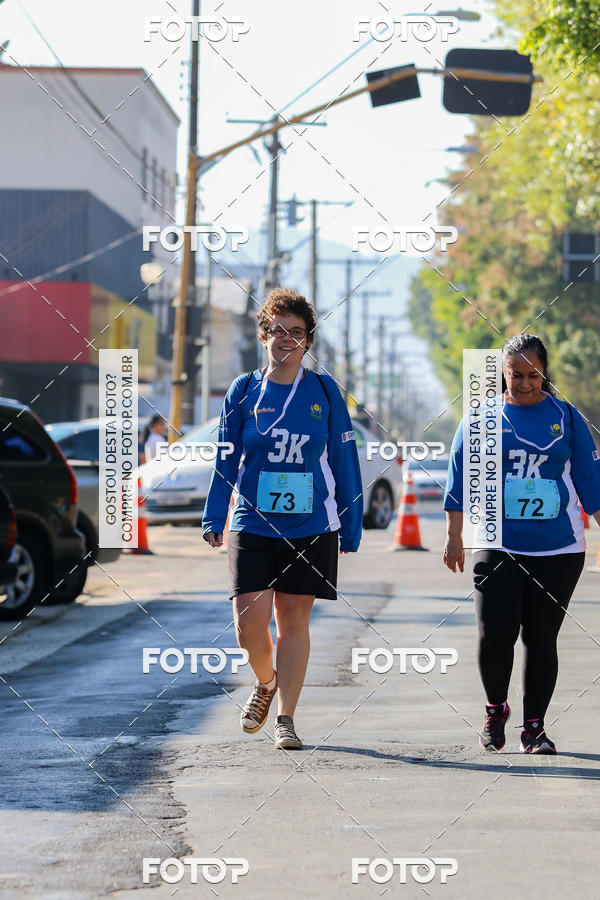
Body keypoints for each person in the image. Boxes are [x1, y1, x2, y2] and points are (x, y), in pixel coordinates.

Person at [202, 287, 363, 750]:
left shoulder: (325, 391)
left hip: (311, 526)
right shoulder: (244, 390)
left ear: (308, 341)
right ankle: (266, 681)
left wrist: (350, 525)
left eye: (296, 333)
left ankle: (287, 718)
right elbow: (225, 459)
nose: (286, 339)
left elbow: (343, 461)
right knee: (247, 624)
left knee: (294, 621)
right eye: (278, 330)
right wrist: (215, 513)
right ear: (263, 335)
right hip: (252, 523)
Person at [443, 334, 600, 754]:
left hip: (558, 550)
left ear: (545, 374)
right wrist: (454, 536)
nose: (525, 383)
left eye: (533, 375)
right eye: (516, 375)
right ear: (502, 374)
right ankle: (496, 710)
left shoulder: (566, 418)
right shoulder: (480, 419)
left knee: (541, 638)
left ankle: (535, 728)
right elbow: (458, 480)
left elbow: (590, 484)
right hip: (495, 542)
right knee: (494, 634)